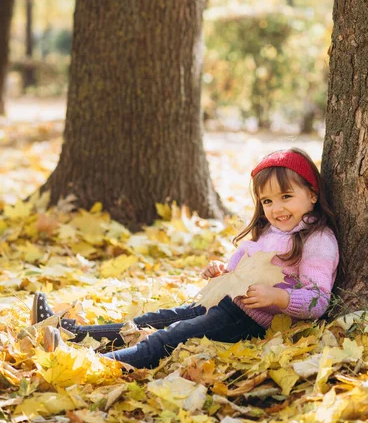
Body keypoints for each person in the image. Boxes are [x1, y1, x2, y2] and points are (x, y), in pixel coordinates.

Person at [31, 148, 340, 369]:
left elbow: (318, 300)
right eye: (268, 201)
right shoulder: (267, 231)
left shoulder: (317, 240)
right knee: (149, 320)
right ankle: (68, 331)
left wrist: (279, 297)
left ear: (312, 194)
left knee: (170, 336)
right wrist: (221, 272)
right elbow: (237, 272)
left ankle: (90, 364)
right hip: (224, 304)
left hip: (248, 321)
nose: (277, 208)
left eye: (287, 197)